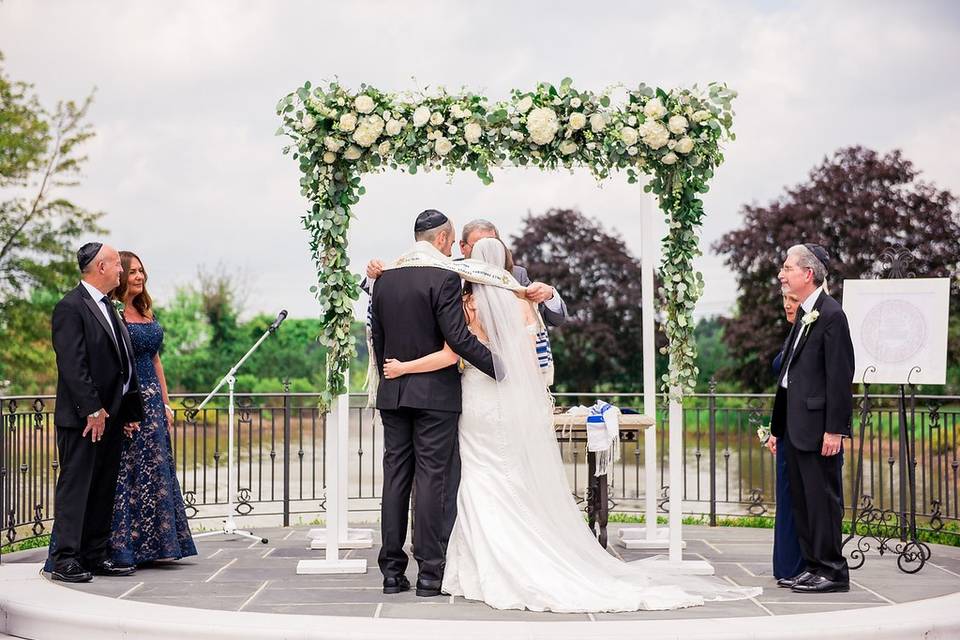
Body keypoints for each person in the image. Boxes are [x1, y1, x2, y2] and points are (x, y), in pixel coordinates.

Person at [379, 236, 761, 612]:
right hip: (503, 401)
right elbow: (536, 362)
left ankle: (465, 565)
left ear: (470, 262)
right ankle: (502, 557)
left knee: (475, 476)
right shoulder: (521, 301)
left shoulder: (467, 302)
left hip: (476, 399)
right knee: (506, 475)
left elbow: (454, 350)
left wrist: (404, 367)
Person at [370, 209, 498, 598]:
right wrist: (502, 367)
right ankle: (430, 573)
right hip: (436, 398)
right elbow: (457, 338)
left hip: (393, 391)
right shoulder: (444, 277)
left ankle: (392, 572)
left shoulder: (384, 281)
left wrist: (395, 373)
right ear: (443, 239)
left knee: (395, 479)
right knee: (432, 480)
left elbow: (377, 337)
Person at [45, 242, 144, 582]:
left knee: (103, 488)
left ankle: (95, 554)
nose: (121, 270)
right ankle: (65, 559)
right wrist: (92, 409)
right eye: (117, 264)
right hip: (85, 420)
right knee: (76, 487)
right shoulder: (71, 307)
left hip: (112, 418)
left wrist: (128, 413)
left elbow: (122, 365)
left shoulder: (108, 307)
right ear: (100, 267)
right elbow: (73, 365)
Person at [771, 243, 854, 594]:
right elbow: (789, 375)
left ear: (807, 274)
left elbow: (839, 376)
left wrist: (835, 429)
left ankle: (834, 571)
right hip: (795, 427)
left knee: (822, 500)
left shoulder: (831, 314)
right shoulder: (806, 312)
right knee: (804, 501)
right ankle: (813, 566)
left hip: (819, 429)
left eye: (787, 268)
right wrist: (778, 427)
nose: (781, 274)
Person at [109, 251, 197, 566]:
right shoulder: (114, 314)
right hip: (130, 399)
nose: (139, 277)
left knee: (158, 469)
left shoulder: (145, 310)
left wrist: (166, 401)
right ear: (120, 277)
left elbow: (156, 359)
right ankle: (127, 547)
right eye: (132, 271)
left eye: (142, 271)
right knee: (130, 470)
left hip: (153, 401)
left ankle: (161, 545)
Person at [767, 287, 805, 582]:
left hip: (806, 429)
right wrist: (775, 431)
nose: (787, 307)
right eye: (785, 301)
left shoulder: (808, 332)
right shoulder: (793, 334)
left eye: (793, 301)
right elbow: (783, 385)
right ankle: (786, 567)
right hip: (787, 428)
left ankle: (798, 566)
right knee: (786, 499)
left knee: (800, 501)